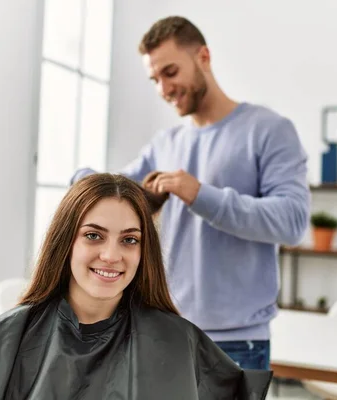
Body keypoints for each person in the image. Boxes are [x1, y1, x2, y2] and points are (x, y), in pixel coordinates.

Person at [72, 16, 310, 370]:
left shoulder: (269, 130)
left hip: (237, 343)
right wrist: (94, 184)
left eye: (170, 72)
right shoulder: (166, 144)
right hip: (166, 330)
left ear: (203, 57)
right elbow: (110, 190)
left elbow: (292, 222)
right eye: (155, 79)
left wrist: (199, 194)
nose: (163, 89)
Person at [0, 174, 272, 400]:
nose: (111, 256)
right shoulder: (3, 338)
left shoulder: (177, 341)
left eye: (129, 240)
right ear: (65, 242)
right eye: (93, 235)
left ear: (142, 252)